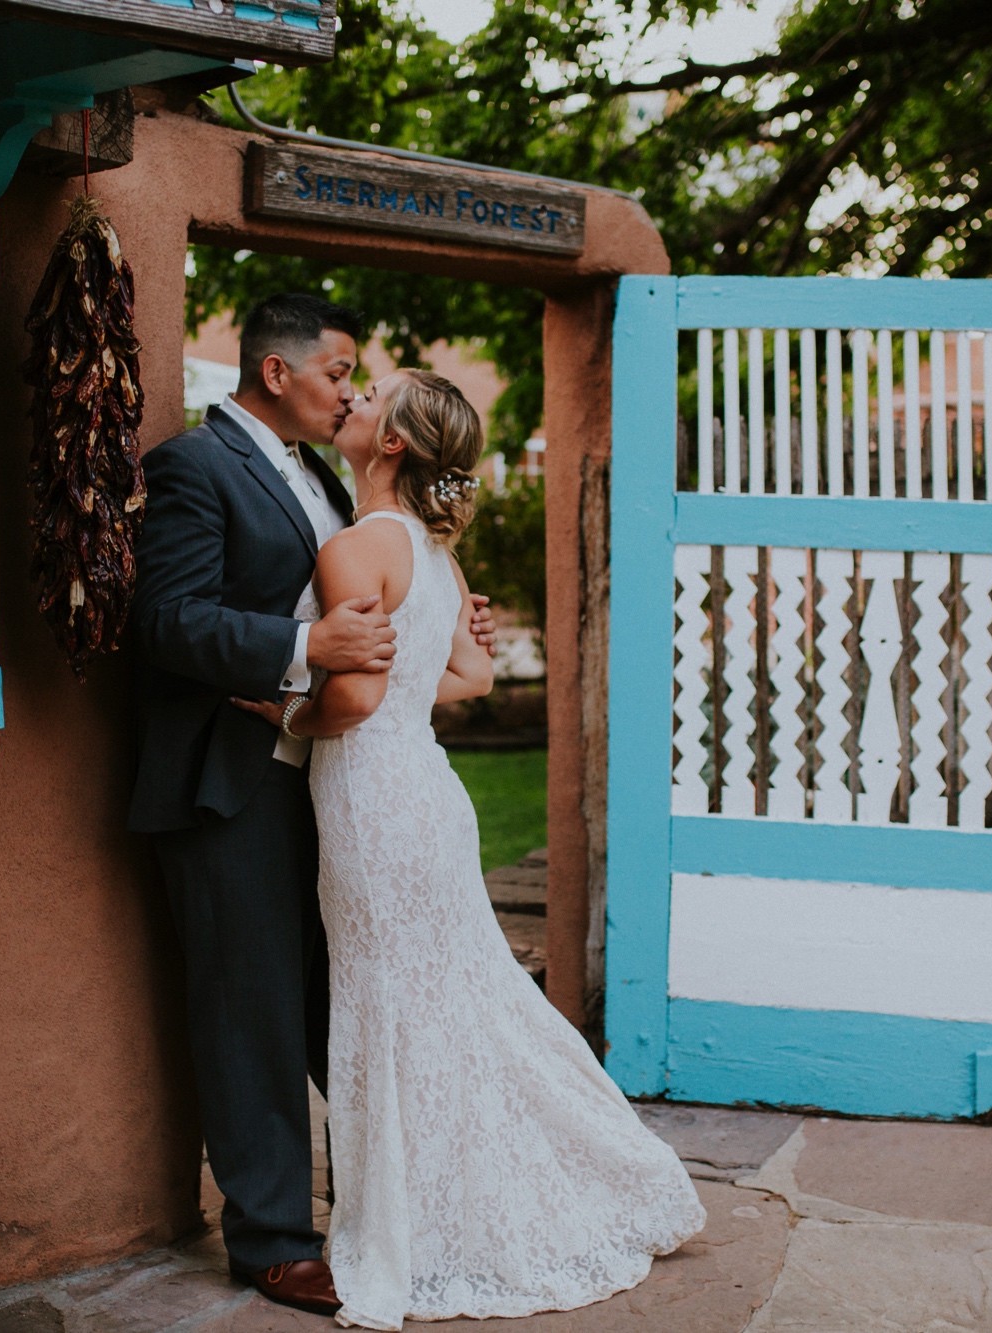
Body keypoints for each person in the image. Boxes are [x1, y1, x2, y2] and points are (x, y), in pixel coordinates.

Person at [235, 369, 705, 1330]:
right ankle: (539, 1184)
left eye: (371, 396)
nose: (353, 399)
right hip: (429, 799)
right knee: (454, 1002)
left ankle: (427, 1222)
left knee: (394, 1009)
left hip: (374, 803)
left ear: (396, 442)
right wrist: (390, 691)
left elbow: (356, 698)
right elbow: (474, 674)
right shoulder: (433, 554)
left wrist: (273, 701)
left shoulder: (358, 545)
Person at [130, 296, 497, 1318]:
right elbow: (163, 619)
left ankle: (406, 1194)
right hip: (225, 783)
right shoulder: (192, 467)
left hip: (326, 787)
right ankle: (272, 1241)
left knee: (340, 1005)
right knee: (246, 1009)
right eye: (340, 371)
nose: (352, 389)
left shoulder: (328, 480)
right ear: (277, 371)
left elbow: (360, 600)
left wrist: (434, 611)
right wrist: (302, 654)